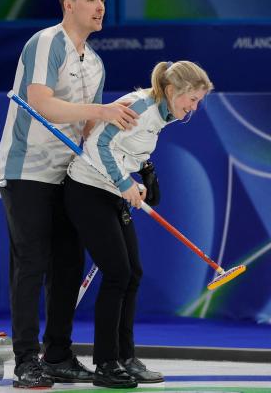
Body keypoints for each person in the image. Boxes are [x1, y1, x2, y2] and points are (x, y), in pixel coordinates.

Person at [0, 0, 140, 389]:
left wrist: (128, 163)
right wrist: (101, 112)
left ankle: (57, 353)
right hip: (28, 170)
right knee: (31, 262)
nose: (100, 7)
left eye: (103, 0)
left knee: (69, 264)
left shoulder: (95, 61)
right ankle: (26, 360)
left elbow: (90, 130)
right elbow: (41, 104)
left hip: (70, 173)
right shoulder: (45, 42)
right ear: (69, 5)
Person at [65, 61, 213, 388]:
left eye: (199, 101)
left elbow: (123, 150)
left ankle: (125, 358)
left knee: (133, 273)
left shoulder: (162, 115)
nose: (194, 106)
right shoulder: (139, 107)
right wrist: (123, 182)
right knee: (118, 273)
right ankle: (106, 364)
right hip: (88, 191)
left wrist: (138, 177)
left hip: (112, 191)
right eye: (192, 99)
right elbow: (97, 146)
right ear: (173, 91)